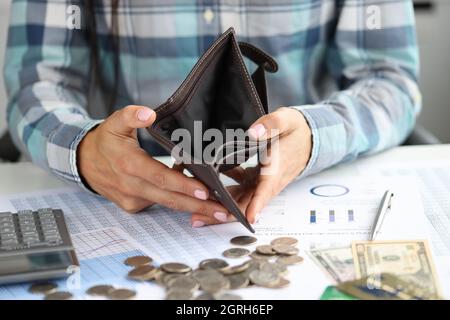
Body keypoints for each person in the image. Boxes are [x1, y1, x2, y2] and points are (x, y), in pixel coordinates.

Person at [4, 0, 420, 228]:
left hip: (298, 186)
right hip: (124, 196)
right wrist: (83, 150)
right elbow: (36, 84)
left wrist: (314, 135)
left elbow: (390, 81)